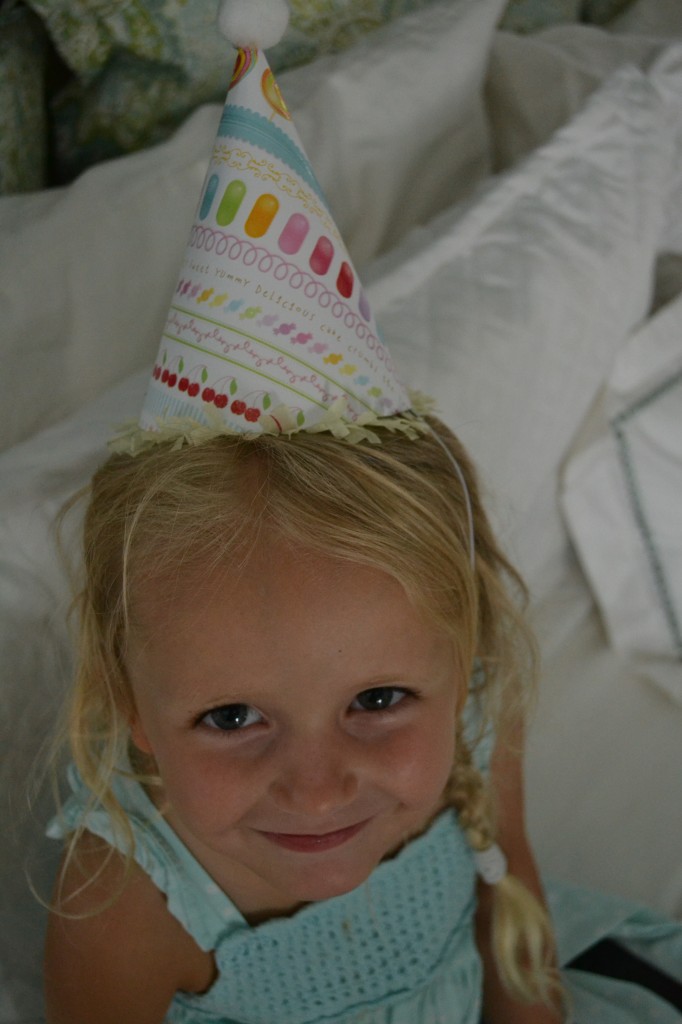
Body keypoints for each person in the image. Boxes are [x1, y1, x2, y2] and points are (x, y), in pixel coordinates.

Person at [43, 3, 682, 1022]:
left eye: (379, 701)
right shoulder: (129, 901)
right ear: (127, 702)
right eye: (232, 717)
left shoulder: (471, 710)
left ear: (460, 649)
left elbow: (511, 917)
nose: (317, 783)